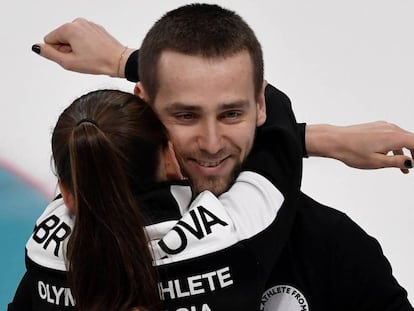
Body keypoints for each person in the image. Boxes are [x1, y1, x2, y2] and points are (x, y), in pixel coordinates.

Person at [29, 3, 413, 310]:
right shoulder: (249, 227)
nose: (212, 143)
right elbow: (278, 136)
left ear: (259, 105)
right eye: (186, 115)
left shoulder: (63, 241)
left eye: (231, 113)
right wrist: (315, 139)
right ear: (143, 106)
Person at [8, 88, 302, 311]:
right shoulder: (227, 234)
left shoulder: (45, 252)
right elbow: (275, 129)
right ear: (168, 155)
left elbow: (91, 171)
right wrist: (128, 61)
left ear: (66, 191)